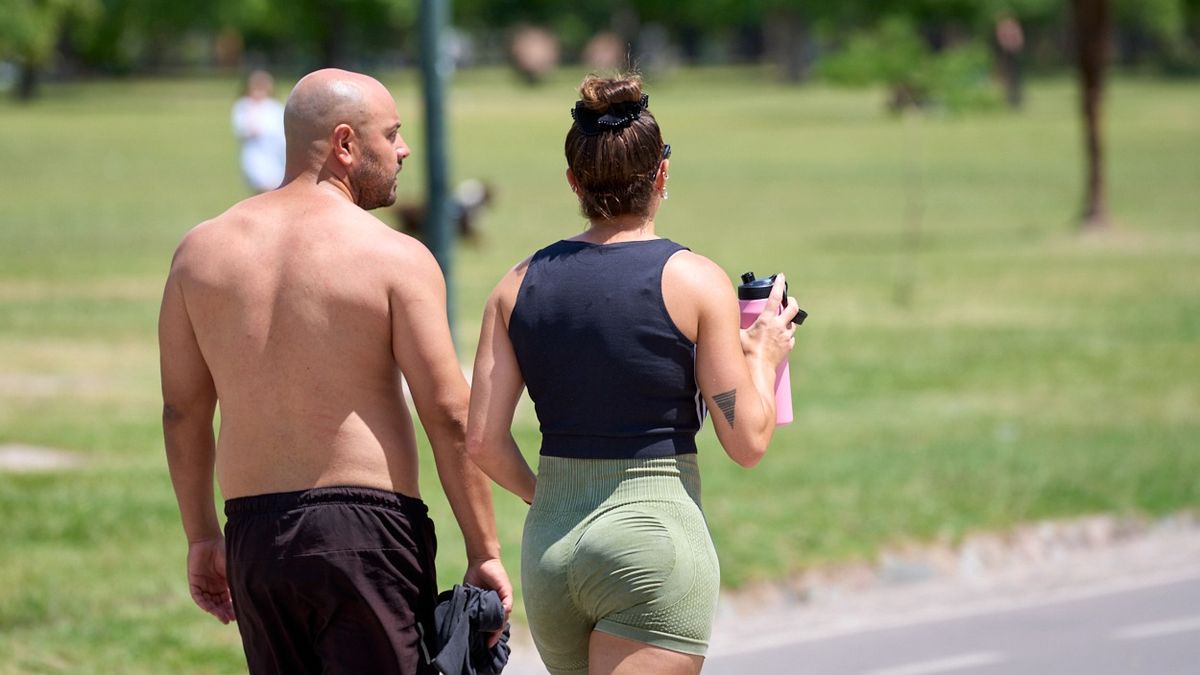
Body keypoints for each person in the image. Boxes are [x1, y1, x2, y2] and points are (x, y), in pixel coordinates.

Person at [159, 68, 512, 675]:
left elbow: (182, 411)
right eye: (392, 134)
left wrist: (201, 537)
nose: (403, 150)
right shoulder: (393, 257)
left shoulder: (200, 252)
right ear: (346, 144)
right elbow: (449, 413)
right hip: (364, 534)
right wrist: (484, 551)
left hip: (254, 538)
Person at [465, 74, 799, 675]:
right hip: (652, 539)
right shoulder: (696, 280)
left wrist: (554, 501)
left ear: (574, 181)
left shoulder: (515, 286)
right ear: (662, 175)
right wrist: (764, 356)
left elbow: (483, 442)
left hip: (551, 551)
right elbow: (747, 441)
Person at [231, 70, 287, 193]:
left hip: (274, 155)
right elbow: (242, 129)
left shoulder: (274, 107)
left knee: (271, 191)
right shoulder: (244, 106)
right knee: (265, 189)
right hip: (255, 155)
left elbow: (281, 131)